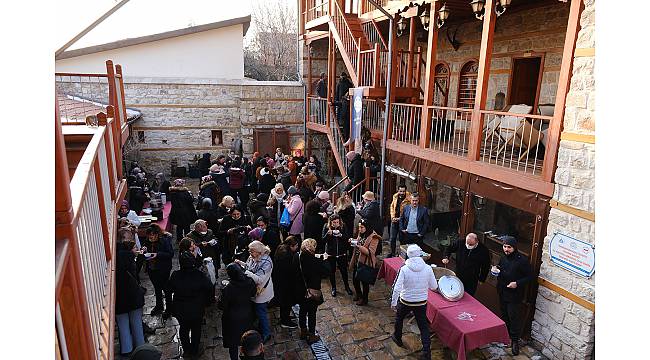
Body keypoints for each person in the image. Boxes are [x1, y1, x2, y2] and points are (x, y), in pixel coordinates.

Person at [391, 244, 439, 360]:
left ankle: (398, 338)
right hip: (421, 302)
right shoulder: (428, 268)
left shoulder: (404, 269)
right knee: (423, 326)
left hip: (405, 301)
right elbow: (434, 286)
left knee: (399, 319)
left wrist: (393, 303)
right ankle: (426, 353)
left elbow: (397, 288)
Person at [168, 251, 213, 357]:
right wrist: (207, 302)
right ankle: (194, 350)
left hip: (180, 309)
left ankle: (187, 349)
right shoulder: (199, 275)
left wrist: (170, 307)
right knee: (196, 329)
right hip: (196, 308)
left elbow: (168, 290)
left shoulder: (175, 275)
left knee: (183, 329)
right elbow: (210, 287)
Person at [494, 236, 533, 356]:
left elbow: (530, 276)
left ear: (514, 248)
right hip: (502, 291)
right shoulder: (503, 257)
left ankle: (515, 341)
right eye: (505, 246)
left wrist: (517, 283)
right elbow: (501, 267)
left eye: (509, 247)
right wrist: (496, 269)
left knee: (513, 317)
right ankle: (507, 337)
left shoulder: (522, 260)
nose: (506, 249)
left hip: (514, 295)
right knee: (504, 314)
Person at [235, 241, 274, 344]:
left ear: (259, 252)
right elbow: (249, 267)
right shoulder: (253, 257)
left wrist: (246, 272)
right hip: (254, 291)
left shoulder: (267, 262)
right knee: (258, 312)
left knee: (262, 313)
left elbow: (260, 279)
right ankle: (260, 328)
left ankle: (266, 333)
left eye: (251, 251)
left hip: (262, 292)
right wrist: (241, 263)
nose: (249, 253)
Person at [115, 234, 145, 356]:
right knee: (137, 323)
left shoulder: (115, 265)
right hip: (134, 297)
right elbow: (136, 274)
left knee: (123, 326)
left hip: (119, 300)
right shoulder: (130, 261)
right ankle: (140, 346)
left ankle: (126, 349)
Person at [220, 263, 256, 360]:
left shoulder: (228, 289)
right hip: (247, 315)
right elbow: (253, 293)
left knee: (233, 343)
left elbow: (222, 305)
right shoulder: (249, 281)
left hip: (232, 319)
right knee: (247, 340)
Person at [296, 238, 329, 344]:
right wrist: (325, 259)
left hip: (301, 289)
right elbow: (326, 272)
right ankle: (311, 335)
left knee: (302, 311)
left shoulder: (298, 257)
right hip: (312, 290)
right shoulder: (314, 261)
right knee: (311, 313)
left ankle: (303, 331)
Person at [143, 224, 174, 318]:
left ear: (157, 234)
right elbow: (145, 250)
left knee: (166, 289)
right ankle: (159, 306)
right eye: (149, 235)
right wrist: (143, 250)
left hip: (163, 269)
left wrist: (158, 254)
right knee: (157, 288)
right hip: (152, 269)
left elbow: (170, 254)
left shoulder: (164, 241)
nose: (150, 237)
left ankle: (169, 309)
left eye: (152, 235)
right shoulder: (147, 241)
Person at [350, 219, 381, 306]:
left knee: (364, 282)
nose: (360, 229)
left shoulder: (374, 237)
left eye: (362, 227)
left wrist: (358, 246)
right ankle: (359, 295)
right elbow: (359, 240)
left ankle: (365, 299)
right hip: (357, 260)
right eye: (359, 227)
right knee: (355, 280)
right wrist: (353, 240)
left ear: (367, 227)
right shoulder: (362, 233)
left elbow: (370, 252)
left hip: (366, 262)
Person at [273, 236, 301, 329]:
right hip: (285, 283)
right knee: (286, 302)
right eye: (296, 245)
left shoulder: (281, 248)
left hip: (280, 281)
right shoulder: (287, 255)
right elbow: (291, 270)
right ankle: (285, 320)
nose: (297, 247)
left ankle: (285, 317)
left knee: (284, 302)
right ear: (291, 245)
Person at [322, 214, 353, 297]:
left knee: (344, 271)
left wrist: (341, 235)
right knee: (332, 271)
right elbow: (323, 240)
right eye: (334, 222)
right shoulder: (326, 227)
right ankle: (333, 288)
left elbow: (347, 238)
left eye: (337, 222)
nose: (336, 224)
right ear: (330, 222)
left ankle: (347, 287)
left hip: (342, 253)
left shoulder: (343, 226)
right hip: (331, 253)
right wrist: (328, 234)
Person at [389, 184, 411, 257]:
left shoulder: (409, 199)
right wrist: (392, 217)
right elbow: (392, 206)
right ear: (398, 191)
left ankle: (402, 255)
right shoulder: (395, 196)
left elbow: (409, 211)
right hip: (394, 220)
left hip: (403, 222)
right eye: (400, 191)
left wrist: (400, 218)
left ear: (406, 191)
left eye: (403, 191)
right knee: (392, 238)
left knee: (402, 239)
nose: (402, 193)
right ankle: (392, 253)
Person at [334, 72, 353, 140]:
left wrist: (335, 102)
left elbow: (337, 93)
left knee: (342, 121)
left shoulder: (340, 83)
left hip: (342, 103)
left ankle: (344, 135)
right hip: (345, 104)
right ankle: (345, 137)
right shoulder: (349, 83)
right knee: (346, 123)